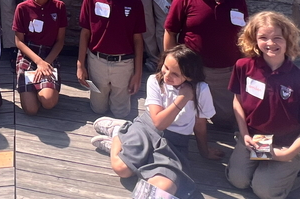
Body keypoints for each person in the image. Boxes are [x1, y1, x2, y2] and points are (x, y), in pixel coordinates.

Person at [227, 12, 300, 199]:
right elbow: (237, 101)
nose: (270, 43)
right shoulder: (243, 66)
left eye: (277, 38)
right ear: (254, 40)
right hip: (255, 139)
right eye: (263, 37)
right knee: (239, 181)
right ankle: (266, 169)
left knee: (266, 192)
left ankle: (297, 168)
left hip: (285, 143)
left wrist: (287, 154)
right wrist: (244, 134)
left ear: (288, 40)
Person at [163, 0, 248, 129]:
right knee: (188, 117)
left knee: (225, 120)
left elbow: (245, 35)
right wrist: (171, 66)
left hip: (226, 71)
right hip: (192, 69)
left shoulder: (237, 0)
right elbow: (170, 32)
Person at [92, 44, 222, 162]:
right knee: (122, 169)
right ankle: (118, 135)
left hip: (176, 139)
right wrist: (183, 98)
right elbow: (159, 124)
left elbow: (200, 124)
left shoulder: (201, 89)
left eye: (175, 74)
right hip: (148, 127)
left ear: (189, 76)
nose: (167, 75)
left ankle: (127, 142)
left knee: (152, 166)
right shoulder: (155, 81)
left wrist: (204, 151)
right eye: (166, 67)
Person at [76, 0, 146, 118]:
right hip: (97, 61)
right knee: (98, 109)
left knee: (121, 113)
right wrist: (80, 64)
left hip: (124, 64)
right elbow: (85, 33)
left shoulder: (135, 3)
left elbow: (138, 40)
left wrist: (137, 74)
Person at [13, 0, 68, 115]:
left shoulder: (59, 7)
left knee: (48, 102)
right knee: (31, 110)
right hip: (28, 54)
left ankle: (45, 88)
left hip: (49, 54)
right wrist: (38, 62)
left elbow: (60, 41)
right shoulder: (22, 8)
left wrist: (45, 63)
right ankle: (34, 88)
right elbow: (19, 42)